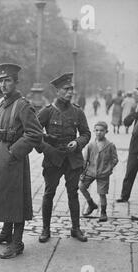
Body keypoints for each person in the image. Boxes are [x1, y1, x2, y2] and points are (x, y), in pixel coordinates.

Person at [0, 63, 43, 259]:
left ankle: (17, 242)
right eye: (1, 80)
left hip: (14, 158)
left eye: (7, 80)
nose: (3, 84)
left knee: (15, 200)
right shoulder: (1, 103)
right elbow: (0, 128)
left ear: (16, 82)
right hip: (0, 155)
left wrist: (14, 151)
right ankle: (6, 233)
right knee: (3, 196)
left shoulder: (23, 105)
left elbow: (35, 134)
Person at [37, 72, 91, 243]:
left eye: (71, 89)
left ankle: (76, 229)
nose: (70, 92)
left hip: (73, 160)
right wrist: (46, 147)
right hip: (53, 159)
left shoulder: (77, 112)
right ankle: (45, 229)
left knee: (73, 194)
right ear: (57, 91)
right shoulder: (47, 112)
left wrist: (77, 142)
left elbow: (86, 134)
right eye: (66, 89)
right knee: (49, 193)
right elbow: (34, 134)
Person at [80, 121, 118, 222]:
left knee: (102, 193)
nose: (99, 133)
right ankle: (91, 204)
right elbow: (85, 160)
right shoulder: (91, 145)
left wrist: (108, 169)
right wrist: (82, 173)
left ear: (106, 131)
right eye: (96, 130)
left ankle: (103, 212)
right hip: (90, 171)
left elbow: (115, 159)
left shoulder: (110, 145)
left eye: (101, 131)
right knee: (81, 186)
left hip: (103, 173)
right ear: (94, 131)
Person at [116, 85, 138, 203]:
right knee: (130, 168)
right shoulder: (137, 107)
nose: (135, 96)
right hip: (136, 143)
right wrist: (135, 112)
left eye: (137, 94)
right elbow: (126, 123)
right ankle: (124, 195)